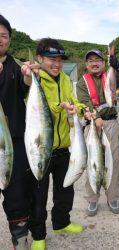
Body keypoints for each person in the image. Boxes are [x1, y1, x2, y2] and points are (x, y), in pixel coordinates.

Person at [22, 38, 91, 250]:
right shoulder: (35, 79)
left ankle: (61, 223)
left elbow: (72, 101)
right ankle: (39, 235)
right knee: (38, 196)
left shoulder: (64, 79)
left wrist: (81, 109)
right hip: (41, 148)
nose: (57, 64)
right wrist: (27, 73)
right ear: (40, 58)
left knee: (65, 190)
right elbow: (31, 100)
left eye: (60, 59)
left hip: (63, 147)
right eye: (52, 58)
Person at [0, 14, 34, 250]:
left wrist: (29, 77)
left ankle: (19, 239)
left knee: (17, 195)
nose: (0, 40)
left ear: (10, 40)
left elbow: (26, 87)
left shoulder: (16, 66)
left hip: (14, 142)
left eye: (3, 36)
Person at [76, 48, 119, 216]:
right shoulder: (82, 82)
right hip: (92, 125)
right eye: (90, 61)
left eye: (98, 60)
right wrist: (95, 118)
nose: (94, 63)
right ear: (86, 64)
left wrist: (117, 66)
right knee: (92, 163)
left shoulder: (109, 76)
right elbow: (83, 101)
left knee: (114, 163)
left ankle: (113, 197)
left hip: (110, 124)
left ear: (103, 63)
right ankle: (92, 199)